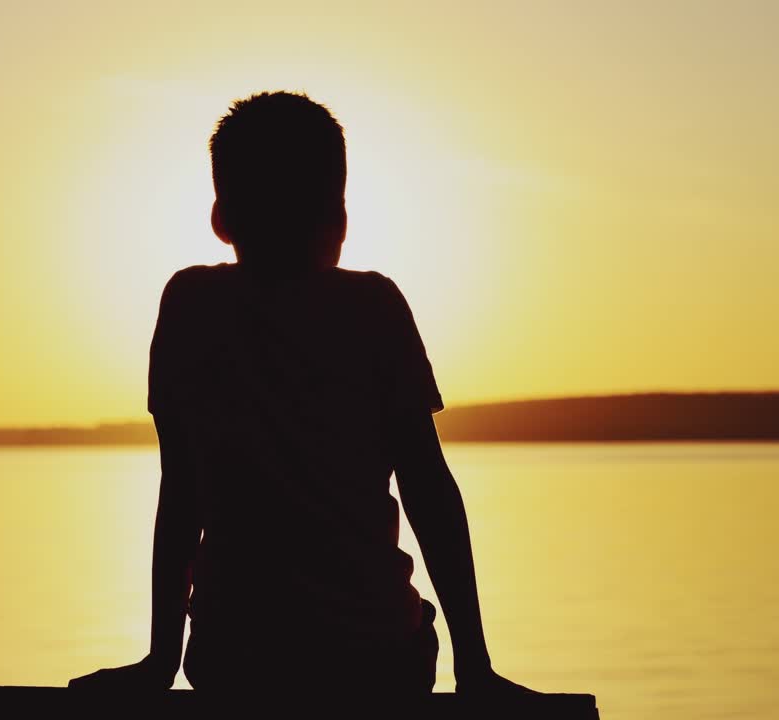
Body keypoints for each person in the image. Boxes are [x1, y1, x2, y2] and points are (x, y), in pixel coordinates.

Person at [70, 91, 534, 696]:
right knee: (411, 623)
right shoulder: (375, 308)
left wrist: (161, 661)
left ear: (221, 219)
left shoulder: (190, 307)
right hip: (376, 659)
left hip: (233, 658)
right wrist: (474, 666)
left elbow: (180, 495)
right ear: (339, 220)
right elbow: (429, 489)